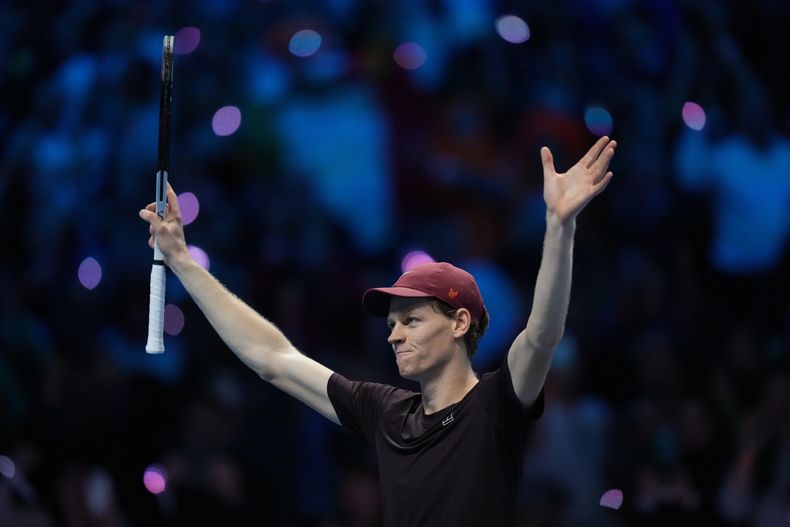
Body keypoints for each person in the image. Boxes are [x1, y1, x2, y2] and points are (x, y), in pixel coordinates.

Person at [139, 136, 617, 526]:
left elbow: (541, 335)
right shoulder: (385, 412)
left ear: (460, 322)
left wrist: (559, 225)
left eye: (410, 321)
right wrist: (182, 262)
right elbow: (273, 358)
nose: (393, 336)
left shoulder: (495, 406)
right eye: (391, 325)